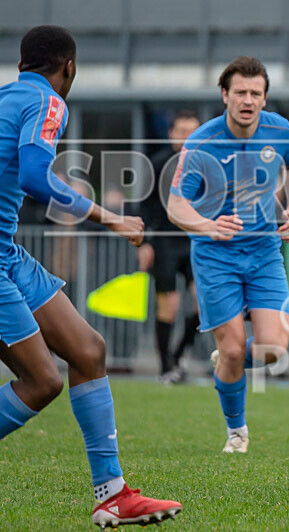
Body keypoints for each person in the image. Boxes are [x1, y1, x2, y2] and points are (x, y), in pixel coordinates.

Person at [0, 26, 182, 528]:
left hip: (8, 253)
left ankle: (112, 495)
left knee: (87, 350)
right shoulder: (48, 100)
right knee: (40, 381)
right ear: (69, 68)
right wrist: (110, 216)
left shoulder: (7, 96)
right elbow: (38, 178)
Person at [167, 57, 289, 454]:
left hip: (264, 252)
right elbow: (177, 205)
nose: (248, 100)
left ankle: (227, 361)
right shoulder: (201, 143)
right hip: (216, 257)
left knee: (274, 348)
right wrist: (207, 226)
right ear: (225, 95)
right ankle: (236, 432)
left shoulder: (280, 129)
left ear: (264, 98)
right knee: (231, 348)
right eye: (240, 92)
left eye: (256, 94)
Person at [137, 111, 201, 384]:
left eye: (193, 131)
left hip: (196, 242)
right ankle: (165, 368)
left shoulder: (205, 163)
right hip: (164, 243)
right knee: (169, 307)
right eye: (182, 130)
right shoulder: (159, 163)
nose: (187, 136)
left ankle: (178, 355)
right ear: (171, 133)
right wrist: (145, 243)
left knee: (204, 305)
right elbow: (144, 206)